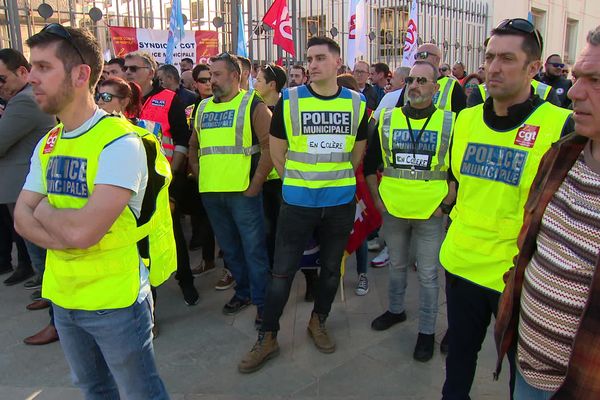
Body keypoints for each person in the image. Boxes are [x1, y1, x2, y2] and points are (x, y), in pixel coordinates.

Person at [15, 24, 174, 399]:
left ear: (80, 74)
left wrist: (47, 213)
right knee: (93, 390)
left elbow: (81, 233)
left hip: (114, 302)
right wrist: (61, 223)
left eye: (43, 67)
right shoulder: (50, 141)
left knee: (140, 392)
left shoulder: (120, 142)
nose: (32, 78)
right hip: (64, 296)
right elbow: (21, 219)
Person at [439, 18, 573, 399]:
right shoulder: (465, 120)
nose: (493, 68)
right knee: (458, 364)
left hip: (518, 277)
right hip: (462, 264)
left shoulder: (558, 125)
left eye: (507, 59)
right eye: (489, 57)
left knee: (522, 378)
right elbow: (458, 184)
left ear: (533, 68)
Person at [238, 36, 368, 373]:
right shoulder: (291, 100)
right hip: (298, 202)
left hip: (338, 202)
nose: (312, 64)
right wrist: (297, 183)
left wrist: (335, 179)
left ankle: (318, 321)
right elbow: (277, 151)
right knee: (281, 273)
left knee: (329, 271)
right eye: (309, 58)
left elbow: (357, 151)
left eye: (321, 58)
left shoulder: (356, 102)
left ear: (338, 63)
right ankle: (268, 336)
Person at [494, 25, 600, 400]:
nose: (573, 92)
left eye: (596, 80)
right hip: (526, 364)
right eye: (577, 77)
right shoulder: (561, 156)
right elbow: (531, 246)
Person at [365, 61, 456, 361]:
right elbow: (370, 164)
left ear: (435, 87)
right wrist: (378, 201)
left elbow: (457, 170)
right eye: (411, 81)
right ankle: (395, 310)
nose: (414, 86)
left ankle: (427, 332)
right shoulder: (387, 119)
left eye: (422, 81)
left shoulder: (449, 122)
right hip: (394, 208)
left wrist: (446, 204)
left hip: (432, 212)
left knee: (429, 275)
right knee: (397, 265)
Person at [188, 52, 272, 324]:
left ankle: (262, 303)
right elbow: (194, 146)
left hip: (243, 194)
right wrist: (201, 177)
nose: (211, 80)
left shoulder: (252, 105)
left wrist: (255, 184)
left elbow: (270, 146)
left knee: (254, 250)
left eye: (217, 74)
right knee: (231, 250)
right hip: (212, 194)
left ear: (236, 77)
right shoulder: (202, 108)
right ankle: (244, 292)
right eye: (210, 75)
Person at [125, 51, 199, 306]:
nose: (128, 73)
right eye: (126, 68)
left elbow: (181, 139)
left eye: (134, 68)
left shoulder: (169, 99)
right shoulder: (122, 102)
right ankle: (150, 301)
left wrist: (174, 179)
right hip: (132, 185)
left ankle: (186, 280)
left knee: (174, 234)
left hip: (164, 182)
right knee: (139, 242)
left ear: (150, 71)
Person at [0, 47, 58, 345]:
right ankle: (52, 304)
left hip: (31, 193)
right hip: (24, 190)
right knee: (40, 257)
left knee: (46, 257)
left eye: (2, 79)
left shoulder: (24, 103)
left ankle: (57, 320)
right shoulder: (21, 101)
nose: (0, 86)